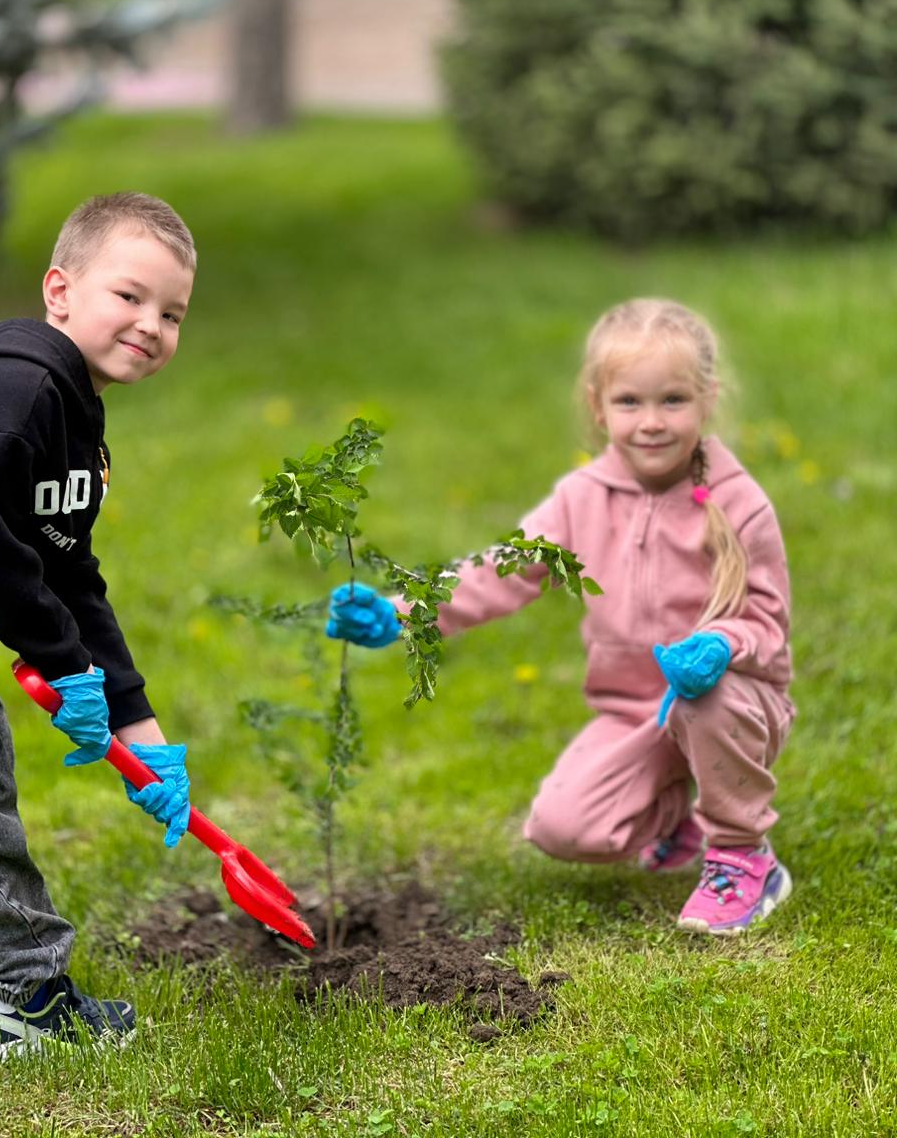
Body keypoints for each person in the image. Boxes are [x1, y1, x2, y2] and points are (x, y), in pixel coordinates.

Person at [327, 298, 796, 935]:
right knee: (563, 828)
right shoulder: (582, 499)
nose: (651, 422)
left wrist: (720, 642)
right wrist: (402, 613)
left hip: (734, 704)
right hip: (635, 713)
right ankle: (672, 817)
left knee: (707, 702)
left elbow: (768, 625)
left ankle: (743, 856)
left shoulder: (739, 503)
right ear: (598, 405)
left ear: (708, 399)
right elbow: (498, 570)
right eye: (630, 402)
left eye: (673, 401)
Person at [0, 192, 195, 1064]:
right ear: (59, 292)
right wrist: (59, 665)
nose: (151, 324)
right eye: (130, 296)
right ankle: (28, 1001)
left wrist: (140, 728)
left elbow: (67, 573)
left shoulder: (67, 413)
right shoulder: (13, 394)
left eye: (172, 313)